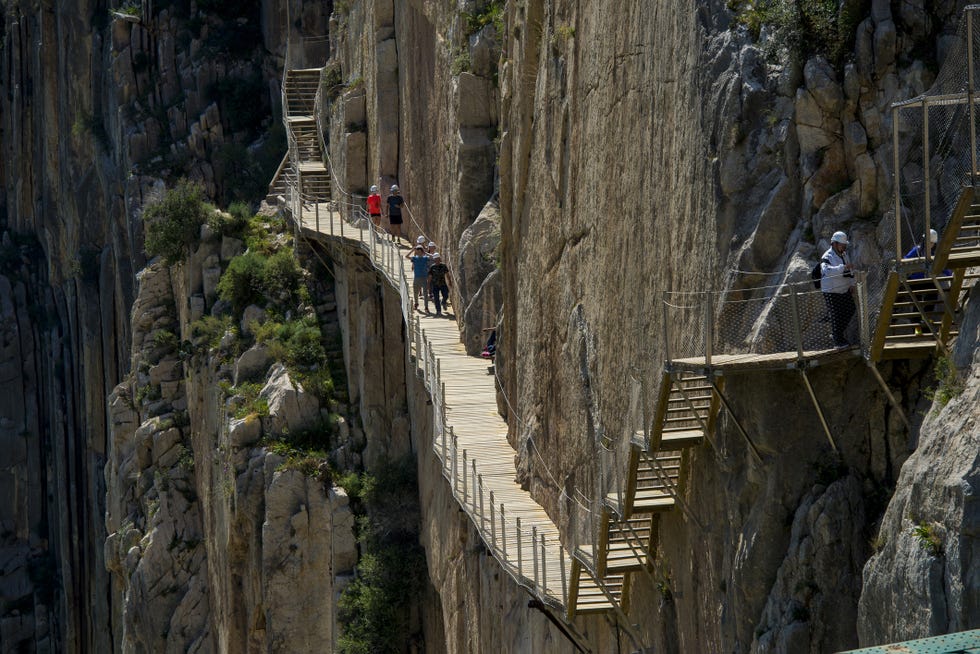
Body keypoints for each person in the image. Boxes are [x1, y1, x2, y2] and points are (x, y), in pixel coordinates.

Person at [904, 229, 951, 335]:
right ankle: (916, 326)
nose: (930, 245)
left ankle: (926, 320)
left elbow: (943, 266)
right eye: (928, 242)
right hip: (915, 281)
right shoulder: (917, 250)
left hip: (927, 280)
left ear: (934, 244)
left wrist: (949, 274)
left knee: (932, 296)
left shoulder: (935, 253)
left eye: (932, 243)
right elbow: (906, 259)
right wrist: (915, 265)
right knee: (917, 303)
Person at [820, 231, 856, 348]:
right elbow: (826, 271)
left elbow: (850, 271)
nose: (844, 247)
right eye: (842, 244)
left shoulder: (844, 255)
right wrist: (842, 267)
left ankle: (837, 335)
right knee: (836, 316)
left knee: (850, 309)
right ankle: (838, 340)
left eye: (844, 245)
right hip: (831, 291)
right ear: (834, 244)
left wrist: (852, 283)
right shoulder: (827, 256)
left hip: (844, 290)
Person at [406, 245, 430, 312]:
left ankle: (426, 307)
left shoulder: (425, 258)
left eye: (420, 252)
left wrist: (425, 252)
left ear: (422, 252)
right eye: (417, 252)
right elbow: (406, 256)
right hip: (416, 277)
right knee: (415, 292)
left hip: (424, 277)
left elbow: (432, 257)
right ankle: (416, 303)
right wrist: (412, 250)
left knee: (425, 293)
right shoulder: (414, 258)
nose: (418, 253)